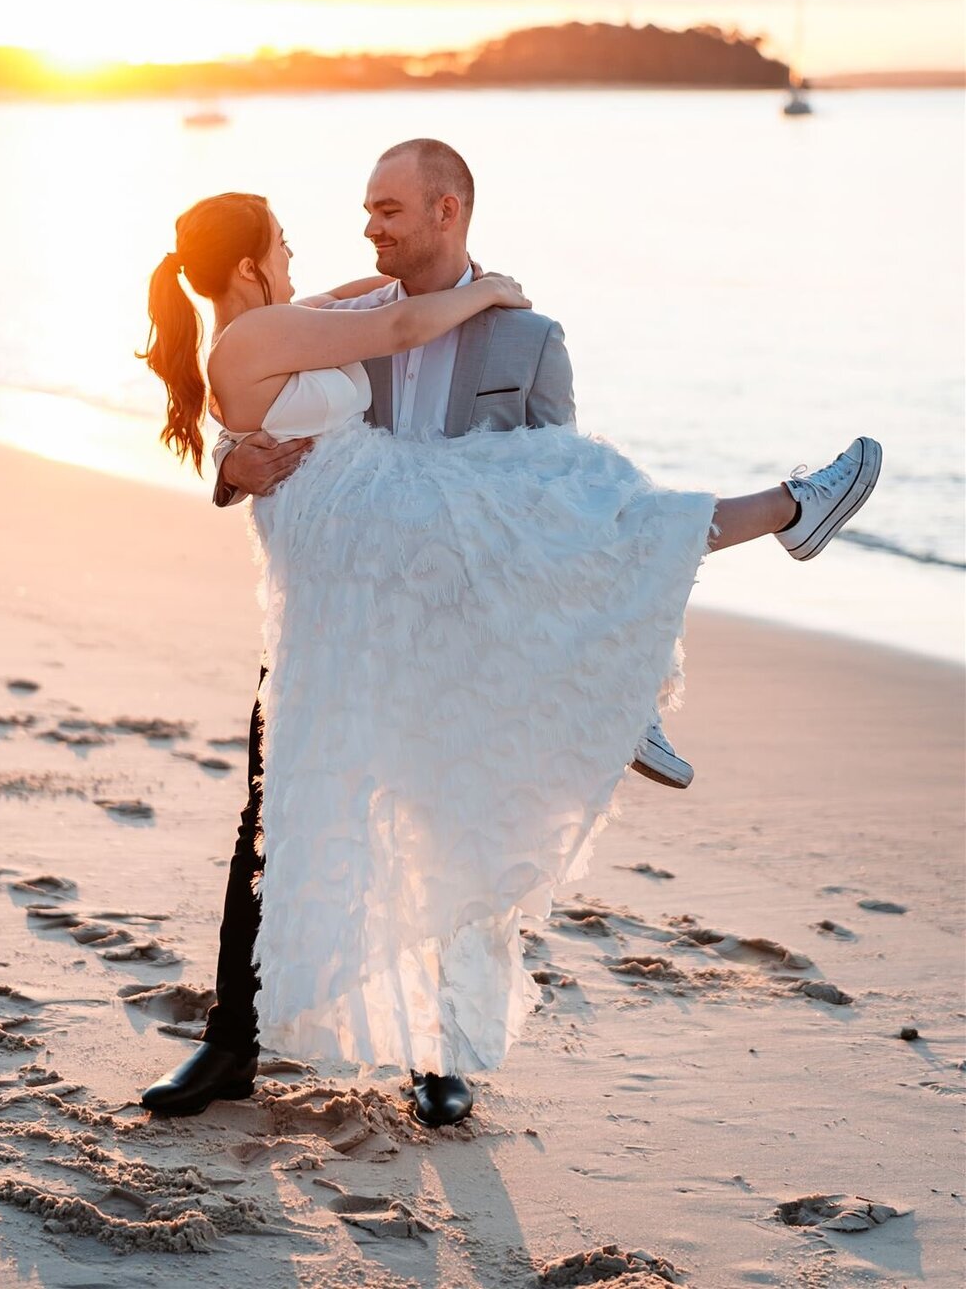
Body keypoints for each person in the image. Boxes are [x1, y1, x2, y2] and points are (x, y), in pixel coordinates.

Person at [138, 143, 881, 1129]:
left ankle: (444, 1051)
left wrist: (491, 296)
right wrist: (236, 462)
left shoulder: (524, 339)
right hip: (343, 600)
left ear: (447, 210)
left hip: (449, 605)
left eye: (389, 209)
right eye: (350, 216)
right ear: (250, 264)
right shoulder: (337, 326)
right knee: (272, 820)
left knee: (575, 545)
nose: (366, 229)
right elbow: (282, 383)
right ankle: (232, 1044)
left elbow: (553, 489)